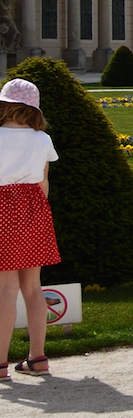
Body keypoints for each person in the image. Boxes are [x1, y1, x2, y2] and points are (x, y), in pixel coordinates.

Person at [0, 78, 61, 378]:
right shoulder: (42, 140)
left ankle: (0, 363)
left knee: (5, 290)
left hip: (2, 210)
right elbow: (43, 182)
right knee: (33, 288)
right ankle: (37, 358)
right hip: (34, 210)